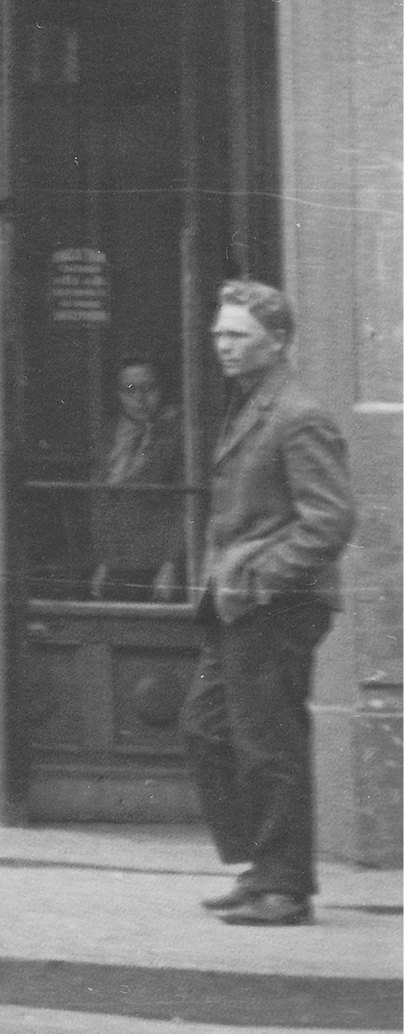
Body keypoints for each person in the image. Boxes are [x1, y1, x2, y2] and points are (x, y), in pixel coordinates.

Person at [182, 282, 353, 928]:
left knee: (268, 742)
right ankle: (261, 864)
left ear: (276, 341)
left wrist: (258, 580)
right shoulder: (253, 401)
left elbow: (329, 521)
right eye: (219, 333)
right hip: (235, 604)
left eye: (237, 336)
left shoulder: (297, 413)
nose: (221, 345)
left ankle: (282, 886)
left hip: (272, 607)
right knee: (204, 727)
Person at [87, 359, 187, 602]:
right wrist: (102, 563)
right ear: (119, 395)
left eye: (149, 388)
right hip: (116, 564)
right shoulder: (110, 436)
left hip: (158, 565)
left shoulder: (178, 435)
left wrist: (171, 565)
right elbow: (103, 505)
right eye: (130, 390)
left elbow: (186, 506)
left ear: (161, 390)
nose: (141, 398)